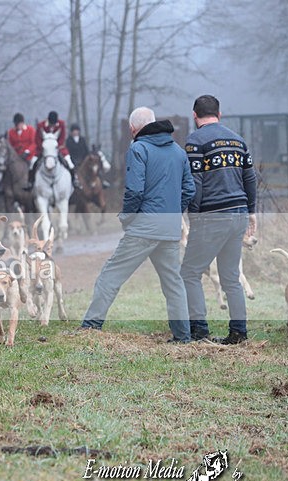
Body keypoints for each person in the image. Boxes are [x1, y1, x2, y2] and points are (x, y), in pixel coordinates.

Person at [81, 107, 195, 343]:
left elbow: (134, 190)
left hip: (144, 228)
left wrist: (127, 217)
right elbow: (189, 190)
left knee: (110, 276)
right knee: (174, 284)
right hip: (170, 228)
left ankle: (90, 328)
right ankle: (183, 337)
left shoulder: (138, 148)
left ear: (133, 129)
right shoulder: (178, 151)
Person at [180, 95, 257, 345]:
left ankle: (200, 332)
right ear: (219, 114)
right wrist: (251, 212)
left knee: (189, 273)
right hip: (238, 215)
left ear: (195, 116)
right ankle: (238, 333)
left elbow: (196, 182)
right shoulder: (238, 139)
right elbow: (250, 179)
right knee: (231, 277)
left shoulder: (194, 141)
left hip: (212, 216)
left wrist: (192, 216)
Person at [26, 111, 76, 190]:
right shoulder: (40, 126)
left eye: (54, 124)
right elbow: (37, 139)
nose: (52, 126)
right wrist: (44, 147)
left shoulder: (61, 124)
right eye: (51, 124)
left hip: (58, 149)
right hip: (43, 150)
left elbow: (62, 138)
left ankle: (74, 180)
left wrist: (56, 147)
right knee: (32, 163)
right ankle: (30, 182)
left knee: (69, 162)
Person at [0, 113, 38, 194]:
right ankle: (2, 185)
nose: (17, 126)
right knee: (5, 166)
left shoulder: (30, 130)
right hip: (16, 156)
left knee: (32, 166)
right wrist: (15, 150)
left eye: (18, 124)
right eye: (16, 124)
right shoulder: (11, 132)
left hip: (29, 156)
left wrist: (27, 151)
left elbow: (34, 143)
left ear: (22, 123)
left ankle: (30, 182)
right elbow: (11, 145)